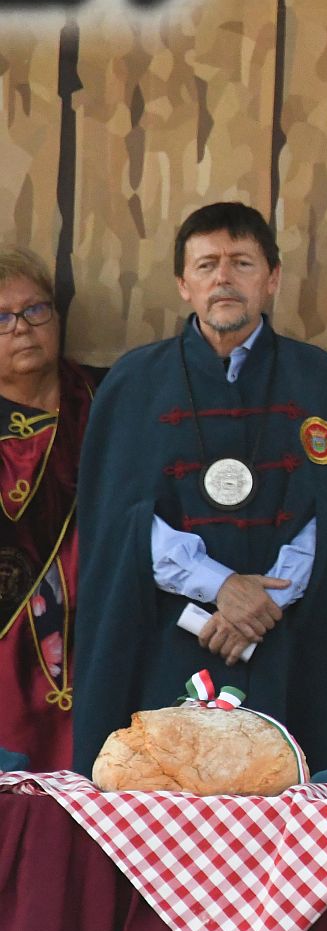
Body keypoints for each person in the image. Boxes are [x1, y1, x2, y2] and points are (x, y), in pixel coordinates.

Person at [74, 202, 327, 774]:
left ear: (272, 278)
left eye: (242, 263)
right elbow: (120, 520)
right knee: (164, 791)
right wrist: (221, 586)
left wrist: (263, 602)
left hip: (287, 637)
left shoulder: (321, 381)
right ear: (183, 284)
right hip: (170, 635)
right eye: (207, 265)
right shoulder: (134, 384)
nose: (224, 279)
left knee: (288, 791)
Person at [0, 248, 93, 769]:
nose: (21, 327)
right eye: (1, 318)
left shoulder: (101, 399)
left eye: (35, 310)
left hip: (96, 631)